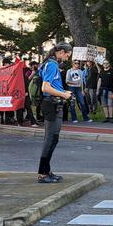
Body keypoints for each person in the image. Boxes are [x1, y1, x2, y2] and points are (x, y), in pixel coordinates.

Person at [37, 42, 73, 183]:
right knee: (50, 140)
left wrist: (63, 92)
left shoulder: (49, 63)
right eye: (67, 55)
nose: (67, 59)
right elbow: (45, 88)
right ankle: (43, 174)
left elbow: (52, 85)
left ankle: (46, 171)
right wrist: (64, 95)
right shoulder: (52, 64)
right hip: (51, 104)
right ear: (61, 52)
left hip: (51, 104)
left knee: (53, 139)